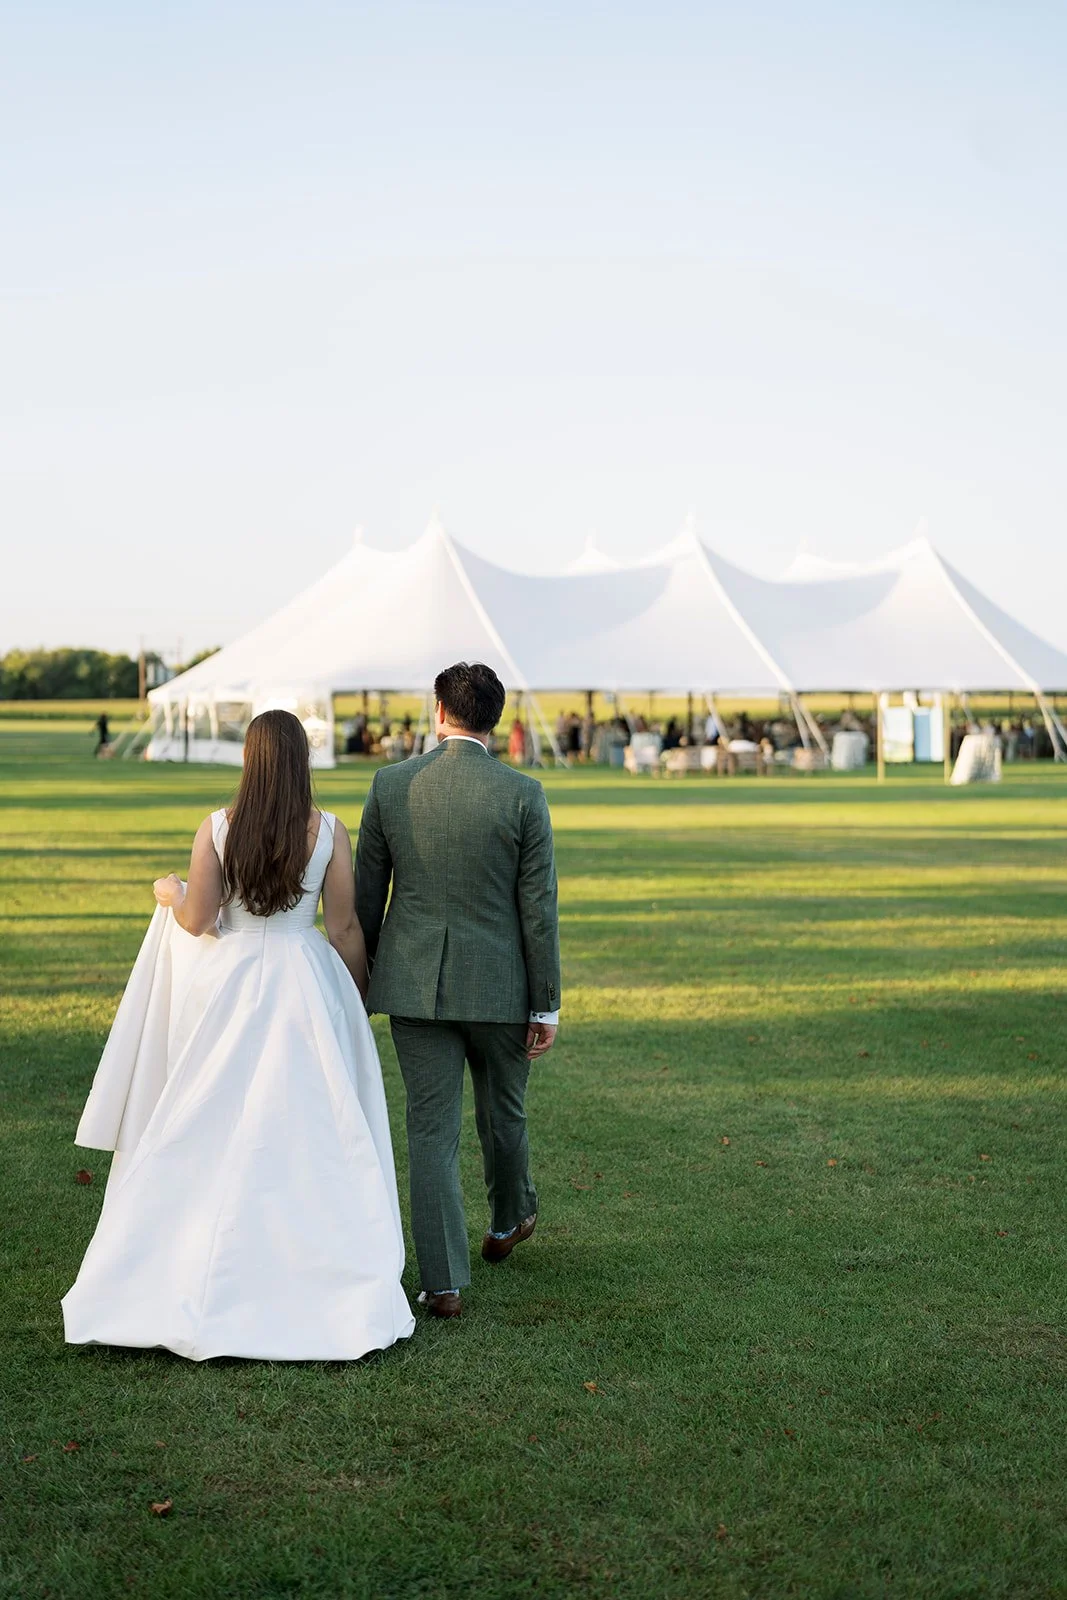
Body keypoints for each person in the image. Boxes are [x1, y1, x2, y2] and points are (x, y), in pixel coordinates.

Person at [62, 710, 414, 1361]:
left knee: (206, 1114)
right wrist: (357, 996)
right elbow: (343, 929)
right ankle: (312, 1260)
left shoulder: (218, 827)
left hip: (227, 984)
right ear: (300, 760)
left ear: (250, 759)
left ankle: (187, 1257)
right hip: (304, 981)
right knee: (308, 1121)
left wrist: (168, 890)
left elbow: (197, 919)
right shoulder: (329, 831)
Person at [356, 662, 561, 1321]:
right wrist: (545, 1002)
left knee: (429, 1129)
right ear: (494, 720)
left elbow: (365, 900)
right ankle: (508, 1218)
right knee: (503, 1111)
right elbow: (538, 910)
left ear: (437, 711)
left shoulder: (390, 785)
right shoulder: (523, 792)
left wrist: (355, 985)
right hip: (502, 983)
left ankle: (442, 1284)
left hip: (414, 985)